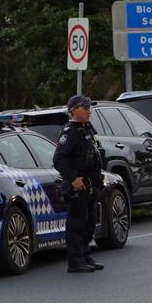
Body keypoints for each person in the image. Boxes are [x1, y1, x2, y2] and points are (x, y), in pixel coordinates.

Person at [52, 95, 105, 273]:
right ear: (74, 109)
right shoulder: (70, 131)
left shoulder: (87, 129)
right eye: (85, 107)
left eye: (90, 107)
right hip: (78, 187)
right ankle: (75, 261)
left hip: (91, 185)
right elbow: (59, 159)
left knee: (89, 222)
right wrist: (73, 178)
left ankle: (85, 255)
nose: (89, 110)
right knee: (76, 224)